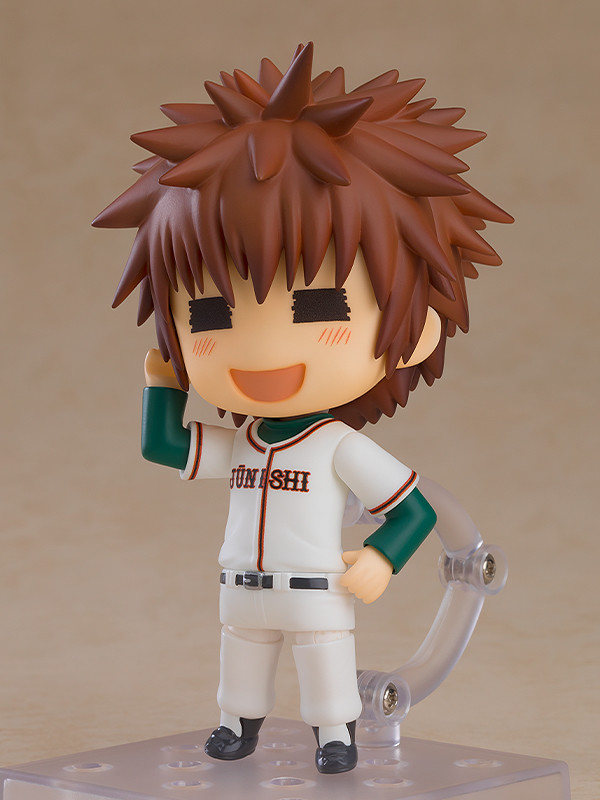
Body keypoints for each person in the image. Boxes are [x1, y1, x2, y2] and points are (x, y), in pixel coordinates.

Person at [93, 42, 512, 774]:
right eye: (212, 315)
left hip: (318, 590)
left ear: (417, 330)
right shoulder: (247, 440)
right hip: (242, 591)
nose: (259, 350)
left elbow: (413, 510)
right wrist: (164, 383)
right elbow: (167, 448)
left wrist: (380, 559)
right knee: (240, 665)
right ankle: (237, 727)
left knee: (324, 667)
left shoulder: (336, 445)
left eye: (319, 305)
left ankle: (335, 736)